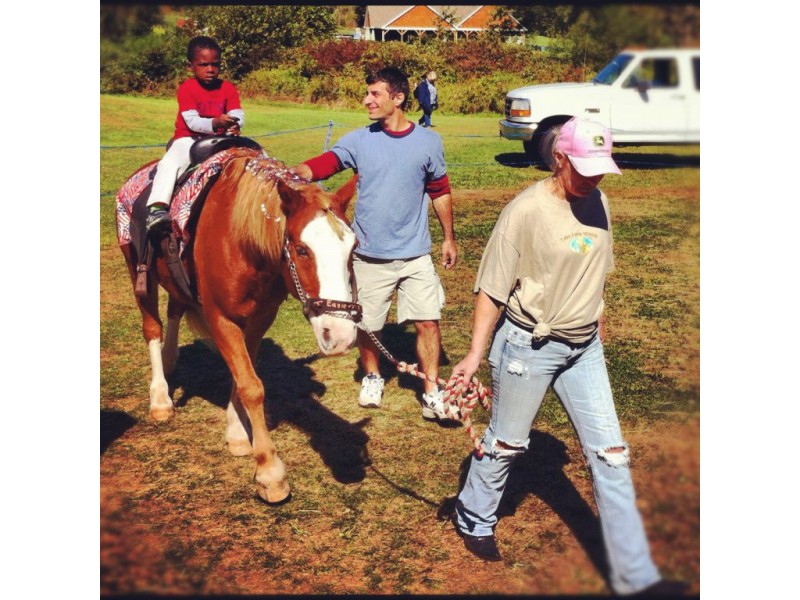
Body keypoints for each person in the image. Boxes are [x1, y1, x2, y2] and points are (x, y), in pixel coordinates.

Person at [448, 117, 684, 596]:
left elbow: (599, 266)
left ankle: (636, 576)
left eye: (600, 167)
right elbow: (492, 288)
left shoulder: (599, 199)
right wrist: (475, 354)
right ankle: (473, 513)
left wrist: (595, 314)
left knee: (612, 457)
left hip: (584, 348)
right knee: (508, 442)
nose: (593, 177)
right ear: (559, 158)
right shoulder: (526, 210)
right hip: (528, 346)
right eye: (584, 167)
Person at [290, 67, 458, 422]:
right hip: (369, 256)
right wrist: (299, 172)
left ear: (397, 98)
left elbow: (440, 191)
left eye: (375, 94)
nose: (367, 100)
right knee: (369, 324)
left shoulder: (429, 142)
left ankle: (431, 391)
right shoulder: (359, 140)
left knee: (428, 321)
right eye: (367, 94)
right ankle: (372, 376)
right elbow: (328, 163)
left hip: (415, 254)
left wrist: (448, 237)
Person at [146, 36, 244, 231]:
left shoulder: (228, 88)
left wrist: (236, 124)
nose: (210, 69)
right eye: (203, 64)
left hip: (221, 139)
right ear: (190, 66)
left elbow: (237, 112)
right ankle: (157, 208)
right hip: (189, 139)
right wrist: (216, 123)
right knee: (170, 163)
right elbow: (192, 121)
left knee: (255, 155)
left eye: (215, 64)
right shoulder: (187, 88)